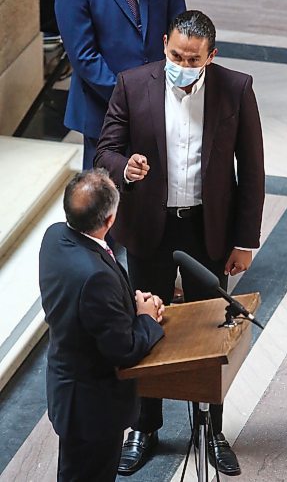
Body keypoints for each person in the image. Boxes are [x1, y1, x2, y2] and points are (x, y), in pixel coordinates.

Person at [95, 10, 265, 476]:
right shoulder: (132, 84)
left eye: (193, 59)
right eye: (175, 54)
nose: (182, 65)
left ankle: (213, 428)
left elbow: (251, 171)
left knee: (210, 331)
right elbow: (105, 149)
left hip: (207, 229)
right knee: (146, 323)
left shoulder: (236, 88)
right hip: (150, 226)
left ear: (212, 55)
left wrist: (245, 241)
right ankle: (145, 426)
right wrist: (123, 167)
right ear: (165, 44)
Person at [39, 168, 165, 481]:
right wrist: (146, 317)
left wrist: (128, 306)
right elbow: (124, 349)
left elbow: (85, 309)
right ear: (109, 220)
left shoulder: (55, 236)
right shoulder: (95, 278)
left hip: (68, 389)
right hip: (92, 408)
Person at [55, 0, 186, 169]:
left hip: (162, 106)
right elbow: (84, 57)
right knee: (106, 193)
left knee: (158, 189)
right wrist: (133, 98)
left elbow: (179, 29)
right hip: (105, 112)